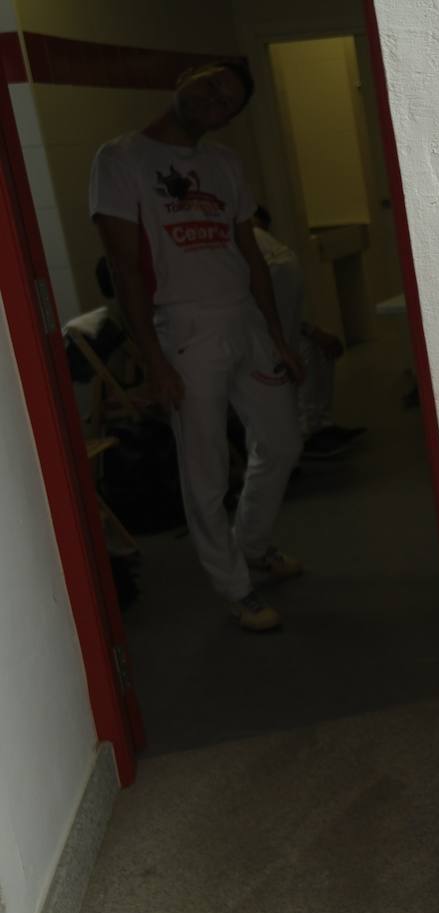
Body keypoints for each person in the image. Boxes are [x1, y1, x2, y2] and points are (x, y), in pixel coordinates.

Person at [89, 59, 305, 632]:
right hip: (183, 328)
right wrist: (153, 360)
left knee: (282, 438)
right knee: (205, 466)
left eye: (228, 101)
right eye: (211, 85)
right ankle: (235, 588)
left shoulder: (224, 164)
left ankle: (253, 543)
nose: (216, 100)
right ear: (185, 77)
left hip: (245, 321)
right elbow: (125, 267)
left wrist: (278, 335)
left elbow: (250, 253)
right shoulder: (121, 159)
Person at [250, 206, 365, 459]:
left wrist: (313, 331)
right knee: (300, 356)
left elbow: (285, 311)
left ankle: (320, 426)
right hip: (259, 339)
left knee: (319, 348)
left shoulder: (273, 253)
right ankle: (306, 432)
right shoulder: (254, 246)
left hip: (276, 327)